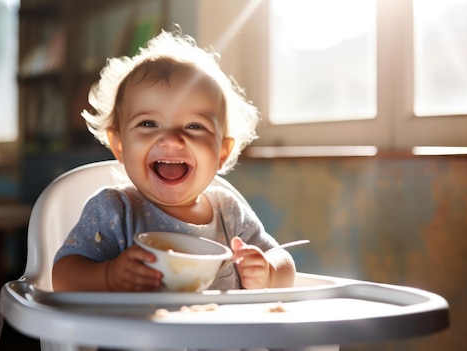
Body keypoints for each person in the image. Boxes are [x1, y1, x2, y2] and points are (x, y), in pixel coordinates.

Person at [52, 28, 296, 292]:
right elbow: (62, 278)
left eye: (194, 126)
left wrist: (268, 272)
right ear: (119, 144)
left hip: (220, 333)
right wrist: (109, 275)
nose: (171, 139)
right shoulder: (115, 210)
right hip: (137, 333)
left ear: (222, 152)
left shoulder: (229, 214)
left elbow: (283, 262)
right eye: (149, 123)